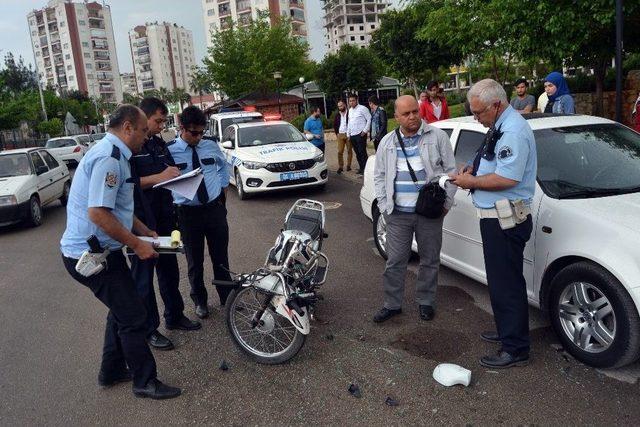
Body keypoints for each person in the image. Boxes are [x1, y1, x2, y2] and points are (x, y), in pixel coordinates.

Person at [60, 104, 181, 399]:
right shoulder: (109, 158)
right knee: (133, 316)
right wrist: (137, 245)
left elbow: (119, 207)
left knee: (122, 310)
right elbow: (99, 214)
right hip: (90, 256)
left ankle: (111, 371)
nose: (145, 136)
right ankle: (144, 382)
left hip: (104, 251)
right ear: (127, 127)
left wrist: (143, 231)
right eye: (142, 130)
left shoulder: (117, 155)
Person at [450, 79, 537, 369]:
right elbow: (493, 164)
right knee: (499, 281)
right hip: (496, 217)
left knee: (507, 283)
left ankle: (515, 349)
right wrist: (474, 169)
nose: (476, 118)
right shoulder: (499, 125)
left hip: (506, 218)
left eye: (479, 113)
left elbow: (507, 178)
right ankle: (507, 332)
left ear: (496, 104)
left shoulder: (512, 131)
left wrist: (470, 182)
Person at [372, 95, 457, 323]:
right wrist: (384, 206)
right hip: (397, 214)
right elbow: (379, 176)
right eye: (406, 114)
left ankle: (426, 302)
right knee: (395, 261)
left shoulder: (437, 137)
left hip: (429, 213)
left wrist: (446, 204)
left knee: (429, 260)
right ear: (396, 117)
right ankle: (392, 304)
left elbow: (451, 172)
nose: (412, 117)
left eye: (415, 112)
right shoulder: (387, 142)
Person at [129, 97, 201, 352]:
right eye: (158, 121)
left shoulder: (158, 144)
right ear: (143, 118)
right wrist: (159, 177)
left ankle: (175, 315)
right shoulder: (132, 149)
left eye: (164, 121)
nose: (162, 125)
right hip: (142, 221)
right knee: (144, 278)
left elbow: (169, 169)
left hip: (166, 215)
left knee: (170, 270)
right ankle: (149, 329)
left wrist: (180, 177)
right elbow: (130, 183)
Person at [167, 106, 233, 319]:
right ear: (181, 128)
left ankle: (227, 297)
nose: (198, 137)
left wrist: (222, 189)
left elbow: (224, 167)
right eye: (193, 132)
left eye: (201, 132)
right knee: (194, 261)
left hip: (214, 210)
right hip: (187, 214)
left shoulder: (211, 146)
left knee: (221, 257)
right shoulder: (170, 151)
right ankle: (200, 301)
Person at [347, 94, 371, 174]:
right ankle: (361, 168)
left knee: (362, 152)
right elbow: (349, 123)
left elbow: (369, 119)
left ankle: (367, 169)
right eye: (350, 101)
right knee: (357, 153)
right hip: (353, 135)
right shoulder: (350, 110)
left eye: (353, 100)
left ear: (356, 100)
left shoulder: (363, 108)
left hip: (360, 134)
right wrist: (348, 134)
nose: (351, 102)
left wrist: (365, 131)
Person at [332, 100, 352, 174]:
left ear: (344, 105)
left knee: (349, 150)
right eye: (339, 106)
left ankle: (348, 166)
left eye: (341, 105)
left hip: (348, 134)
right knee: (340, 151)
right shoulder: (337, 115)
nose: (340, 107)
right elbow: (335, 125)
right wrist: (337, 133)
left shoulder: (349, 113)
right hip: (340, 134)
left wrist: (350, 133)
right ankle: (340, 166)